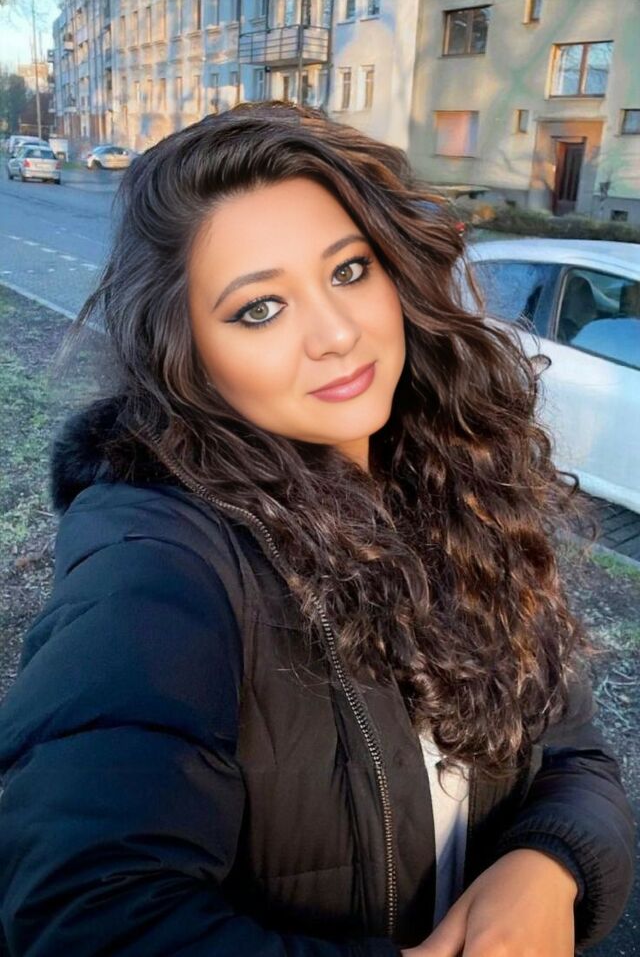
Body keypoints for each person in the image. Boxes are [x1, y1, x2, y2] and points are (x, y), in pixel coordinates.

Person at [0, 101, 634, 956]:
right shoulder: (156, 556)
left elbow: (575, 755)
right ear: (186, 354)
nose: (337, 333)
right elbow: (83, 911)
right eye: (260, 308)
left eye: (349, 270)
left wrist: (550, 862)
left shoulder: (466, 490)